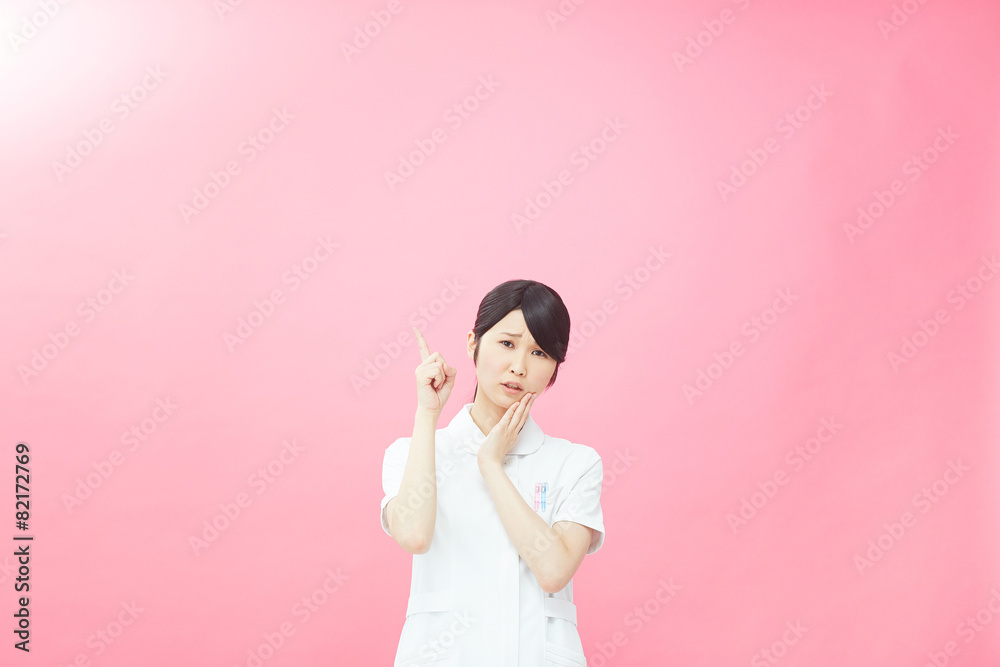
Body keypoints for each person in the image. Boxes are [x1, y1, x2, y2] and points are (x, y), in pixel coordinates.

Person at [380, 279, 605, 666]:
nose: (519, 366)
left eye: (539, 352)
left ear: (554, 368)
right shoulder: (414, 453)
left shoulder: (576, 464)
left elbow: (553, 571)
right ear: (473, 343)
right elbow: (414, 535)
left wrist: (491, 464)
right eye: (507, 343)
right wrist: (427, 414)